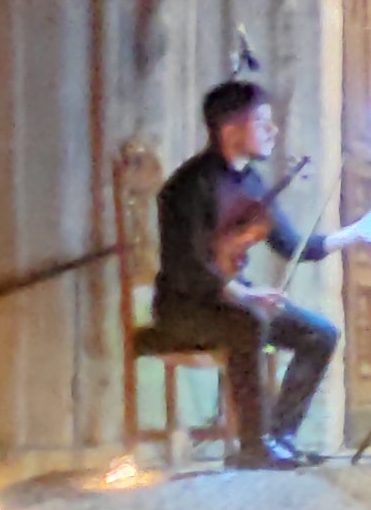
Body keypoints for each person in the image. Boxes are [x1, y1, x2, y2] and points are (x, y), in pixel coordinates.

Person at [148, 78, 353, 469]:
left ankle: (280, 436)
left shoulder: (252, 183)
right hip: (183, 307)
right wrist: (244, 294)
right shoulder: (187, 187)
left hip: (230, 301)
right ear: (230, 130)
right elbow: (187, 268)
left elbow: (292, 245)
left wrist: (351, 235)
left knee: (320, 334)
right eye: (262, 122)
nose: (273, 131)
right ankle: (253, 447)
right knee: (248, 322)